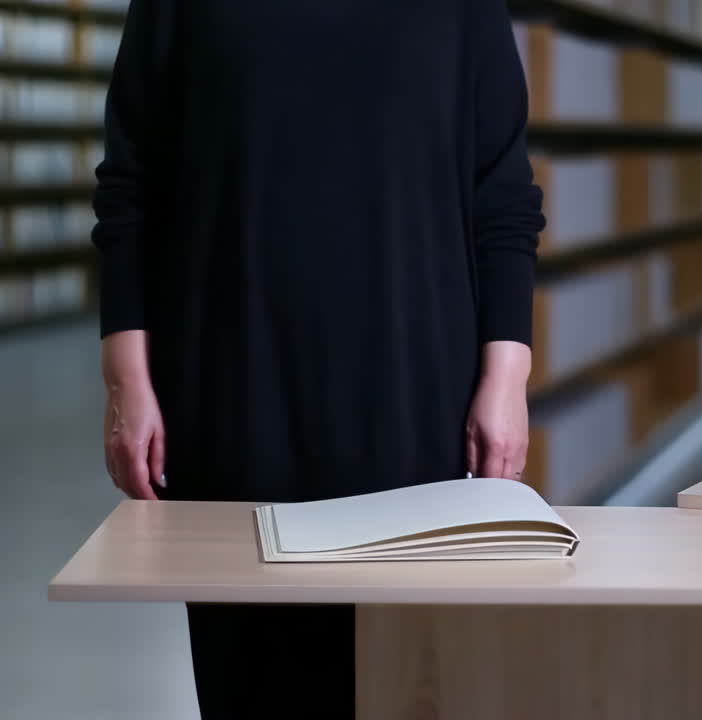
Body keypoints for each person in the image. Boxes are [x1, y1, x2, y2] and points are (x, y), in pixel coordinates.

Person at [90, 1, 546, 717]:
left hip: (412, 407)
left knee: (400, 685)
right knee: (250, 685)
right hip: (230, 401)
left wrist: (508, 374)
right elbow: (131, 182)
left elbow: (503, 195)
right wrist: (124, 377)